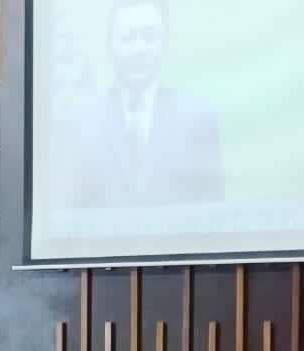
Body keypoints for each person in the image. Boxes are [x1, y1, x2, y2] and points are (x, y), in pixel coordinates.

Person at [57, 0, 223, 209]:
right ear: (109, 45)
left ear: (166, 42)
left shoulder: (198, 119)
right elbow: (66, 210)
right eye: (127, 38)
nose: (139, 49)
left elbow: (212, 210)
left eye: (149, 36)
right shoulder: (79, 122)